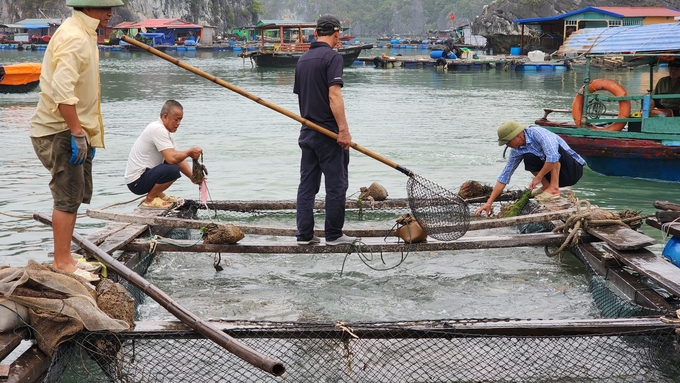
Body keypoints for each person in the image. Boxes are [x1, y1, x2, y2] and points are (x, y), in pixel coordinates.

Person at [29, 0, 124, 282]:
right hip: (60, 129)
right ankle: (61, 261)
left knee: (76, 193)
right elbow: (62, 92)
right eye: (106, 8)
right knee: (67, 196)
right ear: (88, 8)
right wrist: (77, 132)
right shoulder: (73, 37)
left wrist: (84, 132)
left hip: (73, 128)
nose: (111, 13)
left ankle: (67, 257)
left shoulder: (85, 33)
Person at [294, 14, 355, 246]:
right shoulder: (332, 58)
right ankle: (334, 234)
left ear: (316, 33)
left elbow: (303, 97)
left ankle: (304, 235)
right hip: (329, 134)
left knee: (307, 184)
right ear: (337, 35)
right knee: (337, 184)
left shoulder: (303, 60)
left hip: (307, 130)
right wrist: (343, 131)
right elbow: (334, 95)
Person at [474, 120, 586, 217]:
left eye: (508, 142)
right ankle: (546, 186)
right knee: (528, 157)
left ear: (517, 135)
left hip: (572, 170)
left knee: (553, 154)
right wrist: (489, 202)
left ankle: (553, 189)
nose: (507, 145)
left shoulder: (538, 133)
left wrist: (538, 176)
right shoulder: (517, 150)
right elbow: (505, 175)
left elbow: (553, 157)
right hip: (557, 175)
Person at [125, 100, 203, 208]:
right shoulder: (158, 129)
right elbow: (172, 159)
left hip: (143, 177)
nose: (178, 123)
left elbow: (178, 159)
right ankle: (150, 198)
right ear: (165, 116)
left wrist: (193, 178)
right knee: (172, 169)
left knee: (174, 161)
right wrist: (189, 152)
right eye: (176, 119)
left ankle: (158, 194)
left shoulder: (166, 132)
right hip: (136, 182)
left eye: (180, 120)